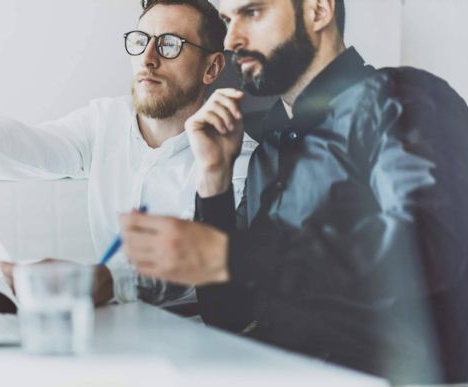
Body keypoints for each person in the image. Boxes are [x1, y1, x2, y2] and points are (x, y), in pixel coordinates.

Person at [120, 0, 468, 383]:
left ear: (318, 11)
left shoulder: (400, 99)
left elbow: (427, 246)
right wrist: (214, 178)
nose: (233, 39)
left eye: (252, 13)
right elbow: (229, 314)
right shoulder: (268, 149)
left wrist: (233, 256)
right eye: (227, 20)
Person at [0, 0, 256, 307]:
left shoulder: (239, 157)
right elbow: (38, 147)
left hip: (197, 339)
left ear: (211, 68)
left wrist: (113, 282)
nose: (148, 59)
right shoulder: (105, 120)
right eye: (140, 41)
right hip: (117, 323)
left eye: (170, 45)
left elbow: (205, 260)